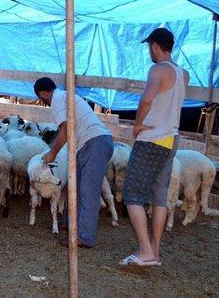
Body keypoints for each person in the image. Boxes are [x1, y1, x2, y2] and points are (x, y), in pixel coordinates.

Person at [120, 27, 189, 267]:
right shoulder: (183, 74)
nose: (149, 51)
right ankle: (156, 251)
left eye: (150, 46)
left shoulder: (158, 69)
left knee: (131, 194)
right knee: (159, 195)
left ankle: (145, 250)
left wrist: (138, 124)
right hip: (171, 138)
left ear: (155, 46)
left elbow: (147, 99)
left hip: (153, 138)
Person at [34, 77, 114, 248]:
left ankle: (84, 236)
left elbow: (65, 128)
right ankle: (69, 222)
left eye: (41, 99)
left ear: (42, 93)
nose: (43, 103)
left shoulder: (56, 100)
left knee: (88, 191)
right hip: (89, 144)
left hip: (94, 143)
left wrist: (52, 154)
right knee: (74, 186)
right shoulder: (64, 96)